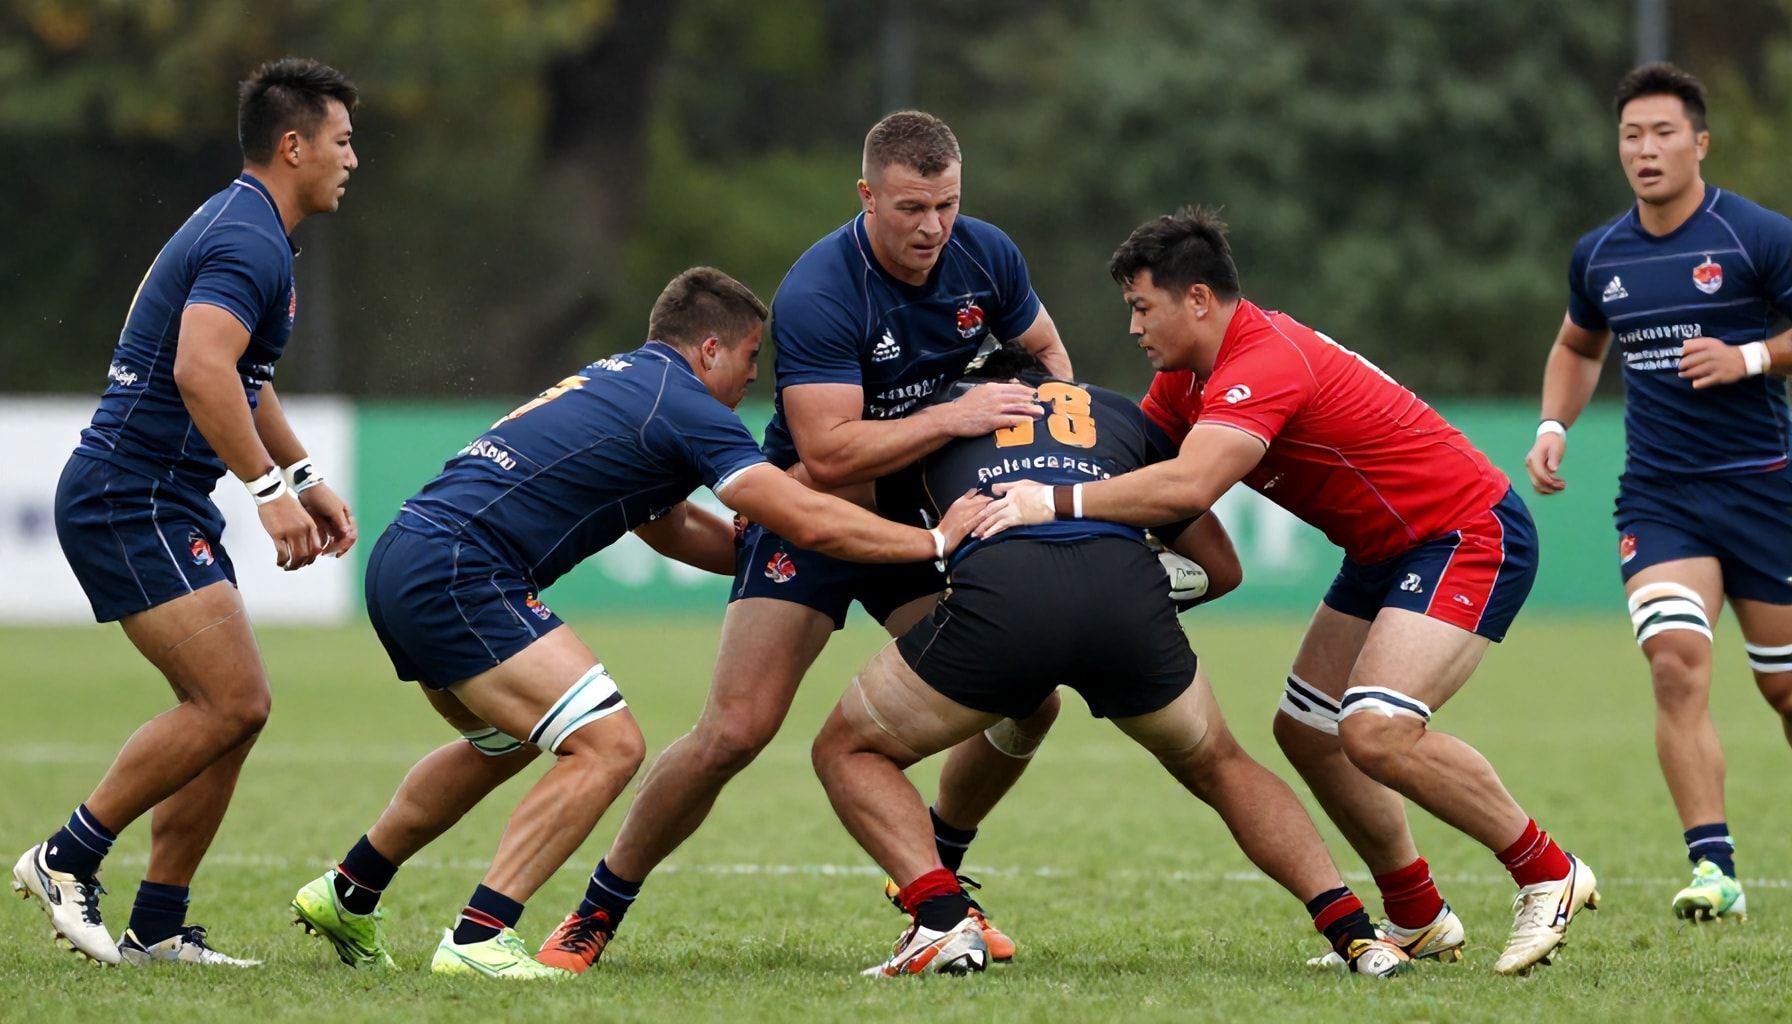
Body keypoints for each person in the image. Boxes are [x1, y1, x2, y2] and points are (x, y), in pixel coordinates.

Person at [289, 267, 987, 979]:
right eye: (751, 356)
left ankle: (351, 889)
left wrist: (760, 551)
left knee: (502, 744)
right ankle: (477, 939)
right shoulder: (684, 404)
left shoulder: (621, 379)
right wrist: (934, 542)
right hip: (462, 570)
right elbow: (804, 515)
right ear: (710, 349)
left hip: (408, 553)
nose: (755, 376)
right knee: (609, 746)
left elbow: (671, 526)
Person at [980, 208, 1599, 977]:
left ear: (1197, 299)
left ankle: (1547, 869)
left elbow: (1190, 482)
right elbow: (1130, 472)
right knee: (1308, 731)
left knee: (1376, 731)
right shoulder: (1183, 381)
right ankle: (1417, 916)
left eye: (1143, 307)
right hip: (1383, 550)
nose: (1133, 327)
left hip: (1464, 531)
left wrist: (1052, 505)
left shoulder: (1262, 359)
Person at [578, 110, 1070, 964]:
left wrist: (1049, 435)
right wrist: (954, 416)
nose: (933, 227)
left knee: (1030, 695)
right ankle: (594, 913)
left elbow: (1050, 354)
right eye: (912, 207)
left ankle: (938, 889)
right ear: (867, 195)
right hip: (810, 514)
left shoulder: (987, 254)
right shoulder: (822, 290)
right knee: (735, 731)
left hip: (910, 516)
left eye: (947, 204)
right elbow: (829, 452)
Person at [810, 342, 1410, 978]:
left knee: (847, 751)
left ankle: (940, 920)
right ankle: (1357, 935)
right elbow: (1221, 570)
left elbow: (829, 493)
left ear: (976, 379)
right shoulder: (1121, 413)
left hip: (1004, 604)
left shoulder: (941, 413)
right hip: (1127, 604)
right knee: (1220, 765)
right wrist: (1121, 601)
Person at [10, 58, 360, 968]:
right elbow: (199, 372)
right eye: (342, 140)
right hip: (131, 498)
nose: (352, 158)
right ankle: (65, 857)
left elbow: (246, 378)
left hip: (163, 498)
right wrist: (271, 493)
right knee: (232, 700)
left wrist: (304, 470)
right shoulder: (249, 238)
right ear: (294, 146)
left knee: (232, 714)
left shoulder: (253, 228)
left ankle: (159, 926)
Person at [1523, 63, 1792, 923]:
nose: (1646, 150)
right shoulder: (1600, 254)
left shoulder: (1756, 237)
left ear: (1699, 143)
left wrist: (1748, 357)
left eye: (1663, 133)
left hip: (1764, 492)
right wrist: (1553, 426)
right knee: (1675, 665)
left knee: (1785, 688)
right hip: (1661, 498)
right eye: (1632, 136)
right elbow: (1577, 346)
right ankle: (1714, 868)